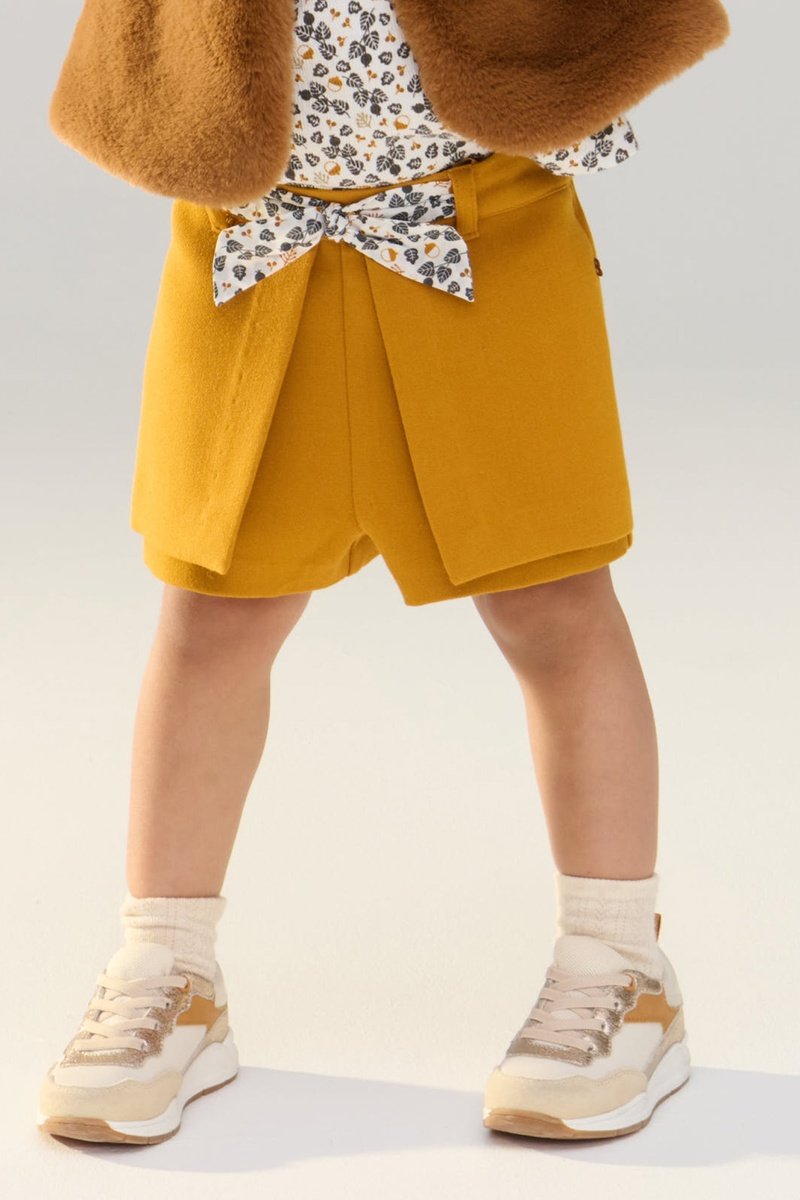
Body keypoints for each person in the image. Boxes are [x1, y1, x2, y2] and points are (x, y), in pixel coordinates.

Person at [36, 0, 730, 1145]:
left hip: (482, 231)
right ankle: (168, 967)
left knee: (552, 603)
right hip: (252, 244)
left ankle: (618, 966)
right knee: (209, 615)